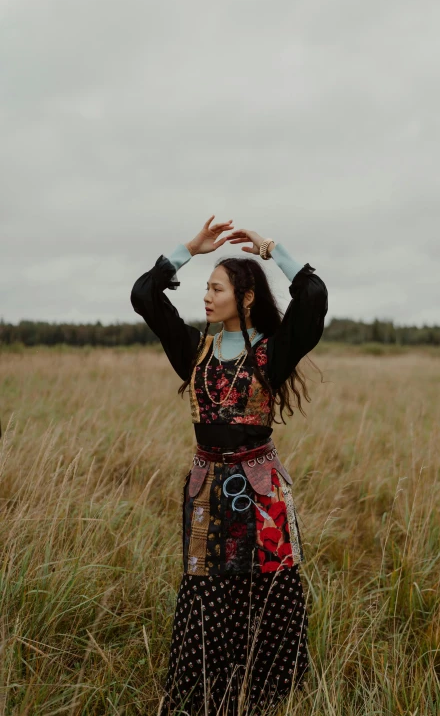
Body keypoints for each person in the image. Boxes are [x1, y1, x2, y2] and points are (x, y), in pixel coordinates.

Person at [130, 215, 328, 715]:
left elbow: (313, 297)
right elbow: (145, 296)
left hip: (261, 490)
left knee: (270, 585)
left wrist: (271, 250)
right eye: (205, 288)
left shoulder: (270, 353)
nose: (205, 296)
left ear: (244, 298)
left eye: (216, 289)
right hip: (207, 490)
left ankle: (266, 694)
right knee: (205, 587)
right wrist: (188, 250)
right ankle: (205, 695)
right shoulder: (195, 350)